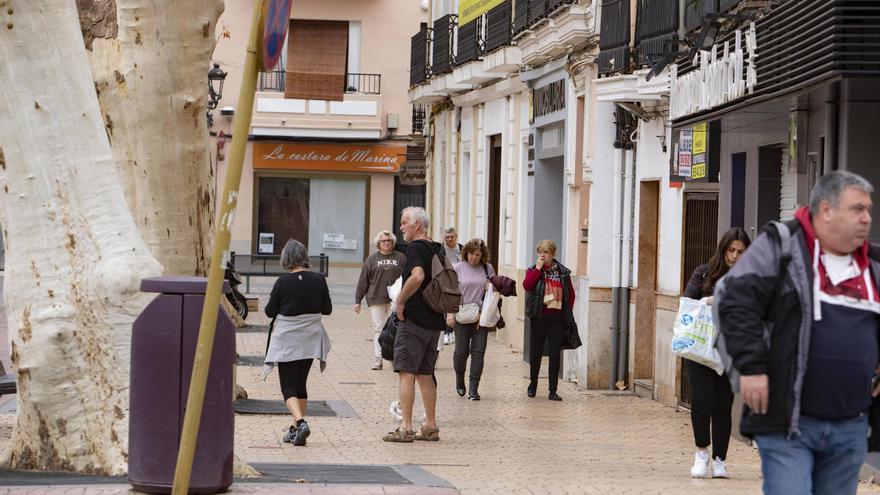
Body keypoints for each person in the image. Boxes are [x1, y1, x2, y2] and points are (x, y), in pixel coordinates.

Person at [717, 170, 880, 495]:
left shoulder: (873, 264)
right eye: (857, 209)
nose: (867, 218)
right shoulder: (782, 247)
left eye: (869, 210)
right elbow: (735, 302)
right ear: (826, 210)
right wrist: (751, 367)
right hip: (788, 422)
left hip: (850, 424)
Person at [682, 227, 750, 479]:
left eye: (741, 252)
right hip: (700, 347)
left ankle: (720, 459)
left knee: (723, 404)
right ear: (722, 250)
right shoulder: (703, 272)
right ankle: (702, 452)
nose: (734, 256)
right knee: (701, 400)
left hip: (729, 350)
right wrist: (707, 300)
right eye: (731, 250)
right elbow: (686, 301)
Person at [383, 206, 445, 443]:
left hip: (415, 319)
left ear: (417, 225)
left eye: (404, 222)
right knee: (426, 373)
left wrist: (400, 301)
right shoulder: (436, 248)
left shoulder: (416, 249)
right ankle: (430, 425)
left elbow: (417, 276)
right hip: (434, 320)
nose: (401, 227)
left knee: (406, 372)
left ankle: (406, 427)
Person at [264, 239, 332, 447]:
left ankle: (300, 423)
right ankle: (295, 430)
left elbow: (269, 311)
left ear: (286, 258)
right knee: (301, 385)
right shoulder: (319, 279)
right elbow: (327, 309)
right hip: (310, 340)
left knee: (288, 387)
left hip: (287, 341)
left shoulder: (282, 283)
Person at [522, 240, 575, 401]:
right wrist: (537, 269)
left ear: (553, 254)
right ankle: (533, 384)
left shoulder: (562, 272)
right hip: (538, 316)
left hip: (556, 318)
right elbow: (527, 285)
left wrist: (567, 312)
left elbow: (570, 294)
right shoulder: (533, 270)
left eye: (546, 252)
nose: (542, 255)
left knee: (554, 354)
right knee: (536, 353)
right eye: (540, 252)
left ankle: (553, 390)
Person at [448, 238, 496, 400]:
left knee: (478, 352)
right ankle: (460, 379)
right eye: (471, 254)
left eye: (477, 255)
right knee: (461, 352)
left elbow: (493, 294)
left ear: (482, 256)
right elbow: (450, 293)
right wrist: (450, 313)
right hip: (461, 315)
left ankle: (474, 389)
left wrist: (484, 311)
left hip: (481, 316)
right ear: (466, 253)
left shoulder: (488, 269)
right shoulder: (457, 268)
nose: (474, 258)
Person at [355, 230, 407, 370]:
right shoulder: (372, 259)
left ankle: (393, 358)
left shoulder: (401, 257)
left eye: (389, 241)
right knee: (378, 329)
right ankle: (378, 359)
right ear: (379, 243)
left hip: (396, 299)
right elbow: (363, 280)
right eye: (384, 241)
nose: (386, 243)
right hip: (376, 298)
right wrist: (358, 300)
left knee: (395, 329)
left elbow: (408, 278)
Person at [442, 227, 463, 345]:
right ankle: (447, 332)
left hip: (460, 280)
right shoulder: (440, 249)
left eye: (452, 237)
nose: (449, 239)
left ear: (456, 237)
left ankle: (455, 331)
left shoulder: (463, 249)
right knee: (446, 306)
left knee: (457, 304)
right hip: (445, 279)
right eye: (447, 237)